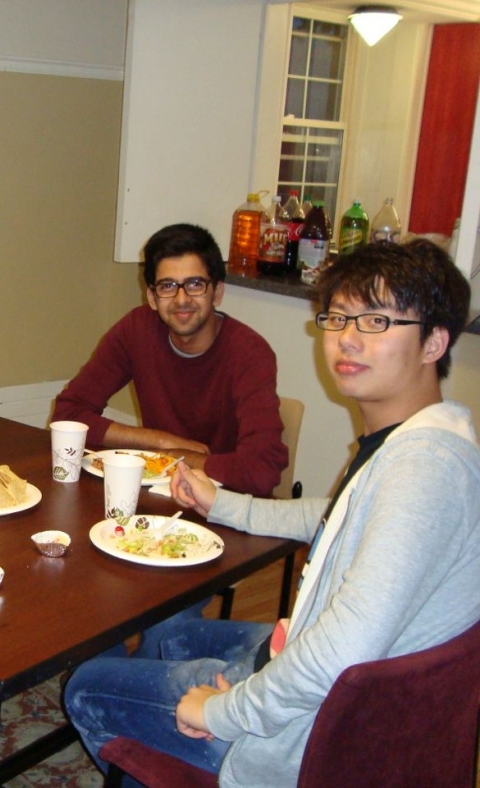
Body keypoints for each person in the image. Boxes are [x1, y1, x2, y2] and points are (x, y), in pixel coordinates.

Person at [63, 239, 480, 788]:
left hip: (308, 738)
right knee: (171, 639)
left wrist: (220, 711)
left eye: (377, 320)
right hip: (316, 674)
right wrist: (224, 503)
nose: (347, 339)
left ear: (434, 342)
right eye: (338, 318)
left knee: (87, 686)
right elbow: (335, 518)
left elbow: (340, 653)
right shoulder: (420, 440)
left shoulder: (424, 470)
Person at [52, 223, 287, 498]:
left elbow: (260, 471)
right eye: (167, 286)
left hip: (225, 505)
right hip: (155, 499)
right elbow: (68, 416)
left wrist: (180, 458)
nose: (181, 299)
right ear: (152, 297)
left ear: (218, 293)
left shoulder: (249, 353)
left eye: (195, 284)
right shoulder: (137, 330)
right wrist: (162, 442)